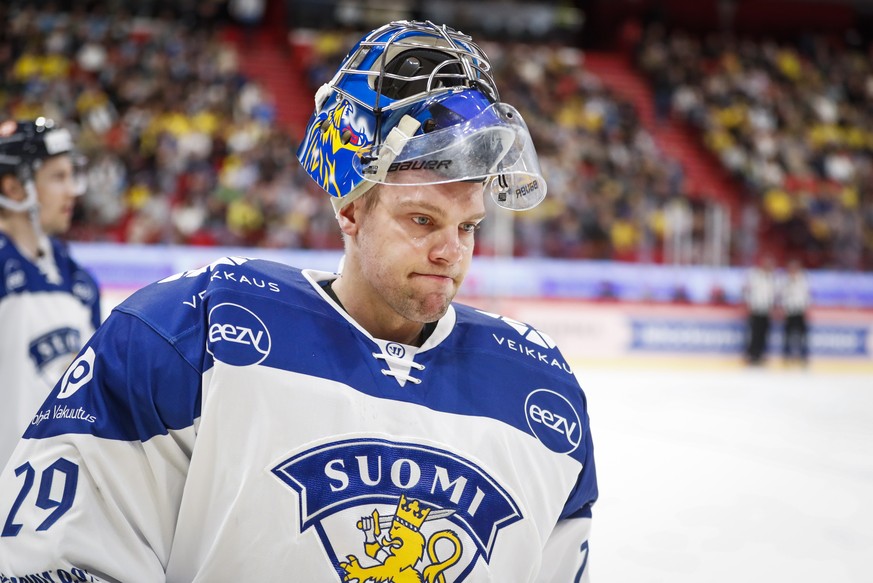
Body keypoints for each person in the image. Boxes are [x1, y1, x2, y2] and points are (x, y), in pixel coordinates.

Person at [0, 21, 597, 581]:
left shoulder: (540, 389)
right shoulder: (189, 331)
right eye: (422, 219)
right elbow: (61, 553)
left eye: (467, 227)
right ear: (350, 208)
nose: (451, 253)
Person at [0, 117, 101, 469]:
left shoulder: (80, 281)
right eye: (58, 177)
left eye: (72, 175)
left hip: (48, 504)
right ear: (14, 188)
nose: (73, 190)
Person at [742, 255, 776, 365]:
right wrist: (749, 304)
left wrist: (773, 307)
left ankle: (760, 354)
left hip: (766, 310)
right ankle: (752, 355)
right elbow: (747, 290)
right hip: (756, 309)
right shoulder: (755, 276)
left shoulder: (772, 278)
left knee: (764, 334)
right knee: (754, 333)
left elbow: (772, 295)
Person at [779, 258, 811, 365]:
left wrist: (806, 308)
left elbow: (806, 295)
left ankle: (803, 356)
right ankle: (787, 355)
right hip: (789, 312)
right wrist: (783, 308)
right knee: (788, 335)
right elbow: (782, 296)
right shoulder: (785, 281)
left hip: (800, 311)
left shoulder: (803, 280)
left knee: (802, 335)